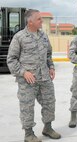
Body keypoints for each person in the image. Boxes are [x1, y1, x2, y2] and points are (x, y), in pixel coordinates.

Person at [7, 9, 61, 142]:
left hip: (45, 78)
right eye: (39, 19)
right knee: (27, 107)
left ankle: (47, 128)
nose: (42, 21)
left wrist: (51, 67)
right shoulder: (19, 37)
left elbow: (48, 54)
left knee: (50, 103)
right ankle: (29, 134)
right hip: (28, 80)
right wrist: (23, 72)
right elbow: (11, 59)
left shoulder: (43, 36)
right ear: (30, 22)